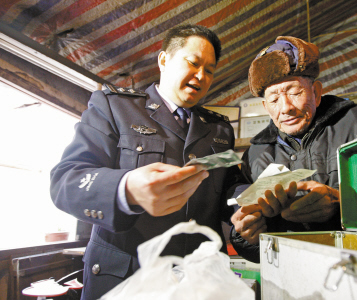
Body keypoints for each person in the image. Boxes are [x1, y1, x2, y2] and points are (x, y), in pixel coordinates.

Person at [50, 24, 242, 299]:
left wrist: (247, 200)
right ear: (164, 60)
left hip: (197, 283)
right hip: (126, 280)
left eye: (209, 70)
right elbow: (65, 181)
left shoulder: (219, 129)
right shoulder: (115, 107)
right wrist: (126, 189)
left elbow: (227, 188)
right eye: (193, 63)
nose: (201, 75)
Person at [230, 36, 357, 263]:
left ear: (316, 92)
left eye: (294, 92)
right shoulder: (256, 155)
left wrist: (343, 205)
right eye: (274, 99)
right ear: (265, 107)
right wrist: (247, 237)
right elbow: (257, 251)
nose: (286, 107)